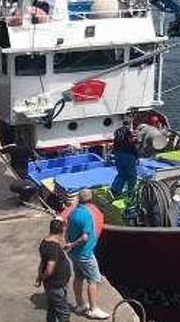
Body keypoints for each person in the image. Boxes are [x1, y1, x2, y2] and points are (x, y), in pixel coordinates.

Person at [66, 189, 110, 320]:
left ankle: (80, 305)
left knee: (78, 277)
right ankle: (93, 309)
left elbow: (67, 230)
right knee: (94, 279)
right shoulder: (87, 215)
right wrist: (72, 244)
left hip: (74, 254)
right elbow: (85, 237)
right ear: (91, 201)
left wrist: (69, 244)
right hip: (85, 253)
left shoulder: (72, 213)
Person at [36, 218, 72, 322]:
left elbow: (43, 261)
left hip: (54, 285)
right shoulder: (53, 247)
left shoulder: (45, 242)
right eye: (64, 231)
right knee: (64, 314)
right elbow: (50, 268)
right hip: (56, 285)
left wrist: (39, 277)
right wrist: (43, 277)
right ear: (60, 232)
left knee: (52, 310)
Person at [110, 119, 139, 198]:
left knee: (121, 174)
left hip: (118, 154)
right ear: (129, 124)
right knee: (132, 176)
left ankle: (115, 190)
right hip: (128, 155)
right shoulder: (129, 132)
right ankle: (131, 193)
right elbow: (132, 144)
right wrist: (136, 156)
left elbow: (115, 144)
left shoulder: (117, 132)